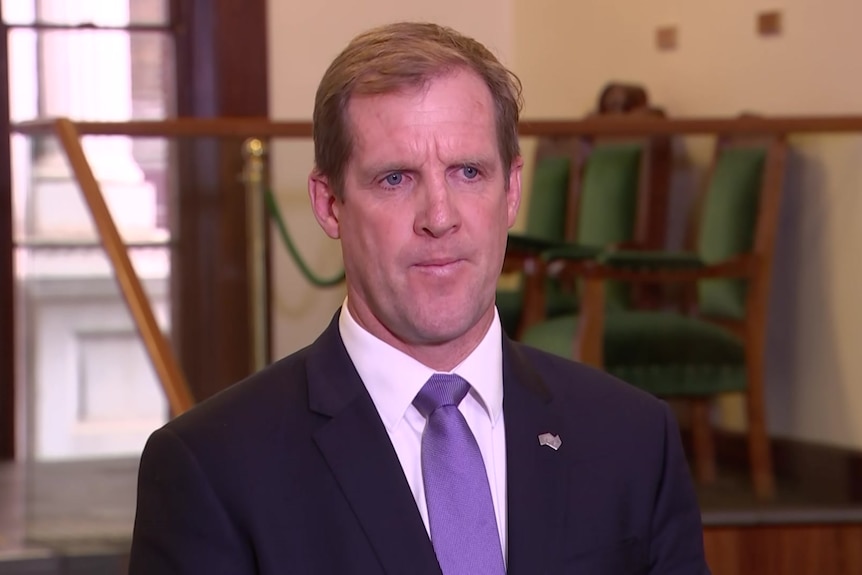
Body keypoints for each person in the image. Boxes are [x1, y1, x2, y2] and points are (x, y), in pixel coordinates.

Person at [128, 21, 710, 575]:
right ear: (330, 204)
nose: (439, 217)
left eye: (467, 172)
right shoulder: (213, 468)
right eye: (395, 178)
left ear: (510, 191)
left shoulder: (633, 439)